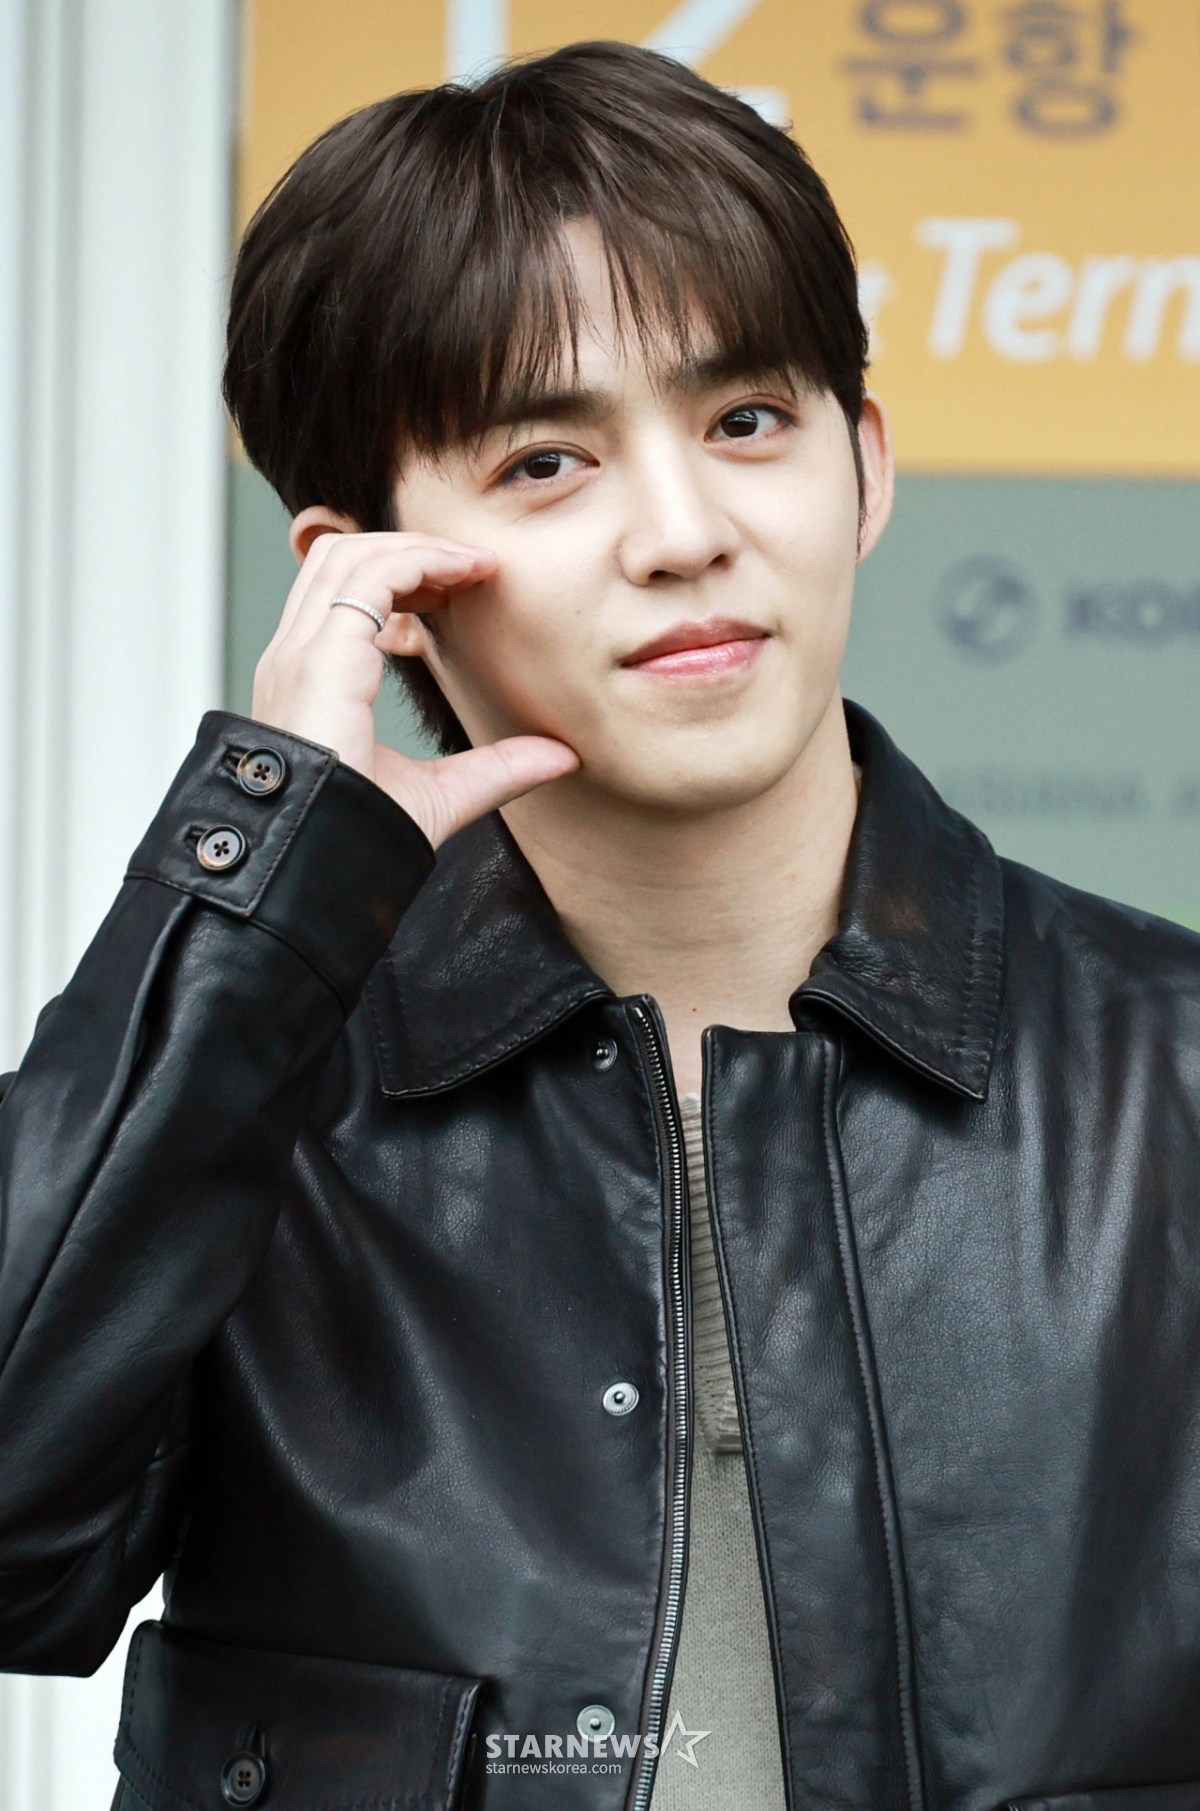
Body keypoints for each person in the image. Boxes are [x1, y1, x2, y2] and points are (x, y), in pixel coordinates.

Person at [1, 37, 1199, 1811]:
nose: (684, 532)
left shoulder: (1167, 1070)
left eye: (747, 423)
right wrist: (257, 870)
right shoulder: (251, 1094)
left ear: (865, 467)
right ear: (374, 584)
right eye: (548, 461)